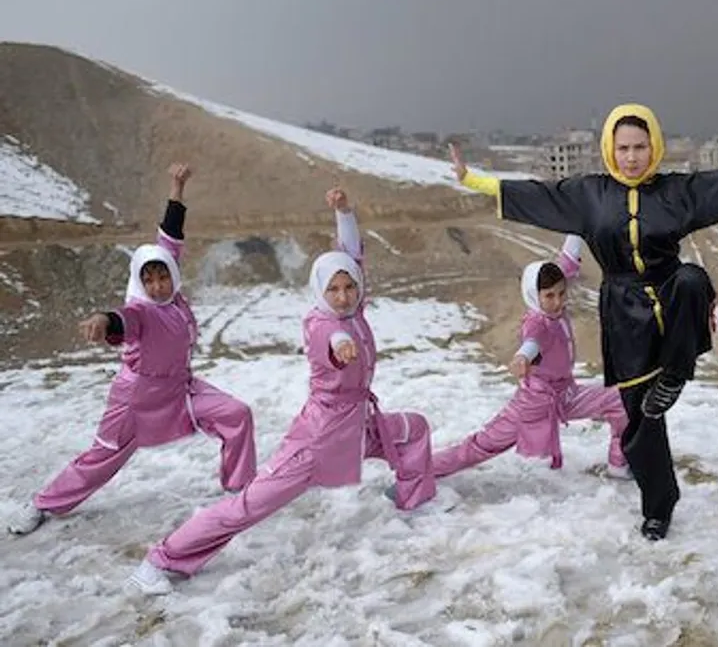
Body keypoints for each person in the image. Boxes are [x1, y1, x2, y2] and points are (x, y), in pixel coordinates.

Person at [451, 103, 718, 539]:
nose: (631, 157)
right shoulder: (588, 195)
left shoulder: (675, 192)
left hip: (671, 296)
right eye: (623, 148)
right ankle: (658, 506)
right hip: (623, 315)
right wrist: (471, 180)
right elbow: (535, 196)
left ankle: (674, 373)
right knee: (640, 419)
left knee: (693, 278)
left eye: (640, 147)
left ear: (653, 147)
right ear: (609, 149)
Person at [128, 187, 446, 595]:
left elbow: (351, 255)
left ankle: (413, 498)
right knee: (248, 506)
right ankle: (160, 560)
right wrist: (340, 347)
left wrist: (345, 213)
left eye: (350, 288)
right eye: (333, 290)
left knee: (414, 429)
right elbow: (329, 338)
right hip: (319, 439)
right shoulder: (321, 324)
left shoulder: (355, 308)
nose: (344, 296)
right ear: (319, 293)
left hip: (358, 427)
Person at [9, 164, 256, 536]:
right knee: (102, 458)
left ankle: (239, 489)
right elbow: (121, 319)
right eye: (149, 280)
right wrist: (102, 320)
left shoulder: (173, 298)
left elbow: (170, 237)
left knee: (236, 414)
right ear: (140, 283)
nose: (157, 285)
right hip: (136, 399)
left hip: (181, 389)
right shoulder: (141, 310)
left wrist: (177, 185)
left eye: (162, 277)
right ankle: (43, 504)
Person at [433, 234, 630, 480]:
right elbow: (531, 344)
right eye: (549, 296)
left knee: (621, 399)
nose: (558, 301)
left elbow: (567, 263)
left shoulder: (555, 296)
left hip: (567, 394)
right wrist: (522, 358)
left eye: (561, 293)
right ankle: (421, 471)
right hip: (535, 403)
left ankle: (619, 464)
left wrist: (581, 224)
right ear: (534, 295)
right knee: (482, 446)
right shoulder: (538, 323)